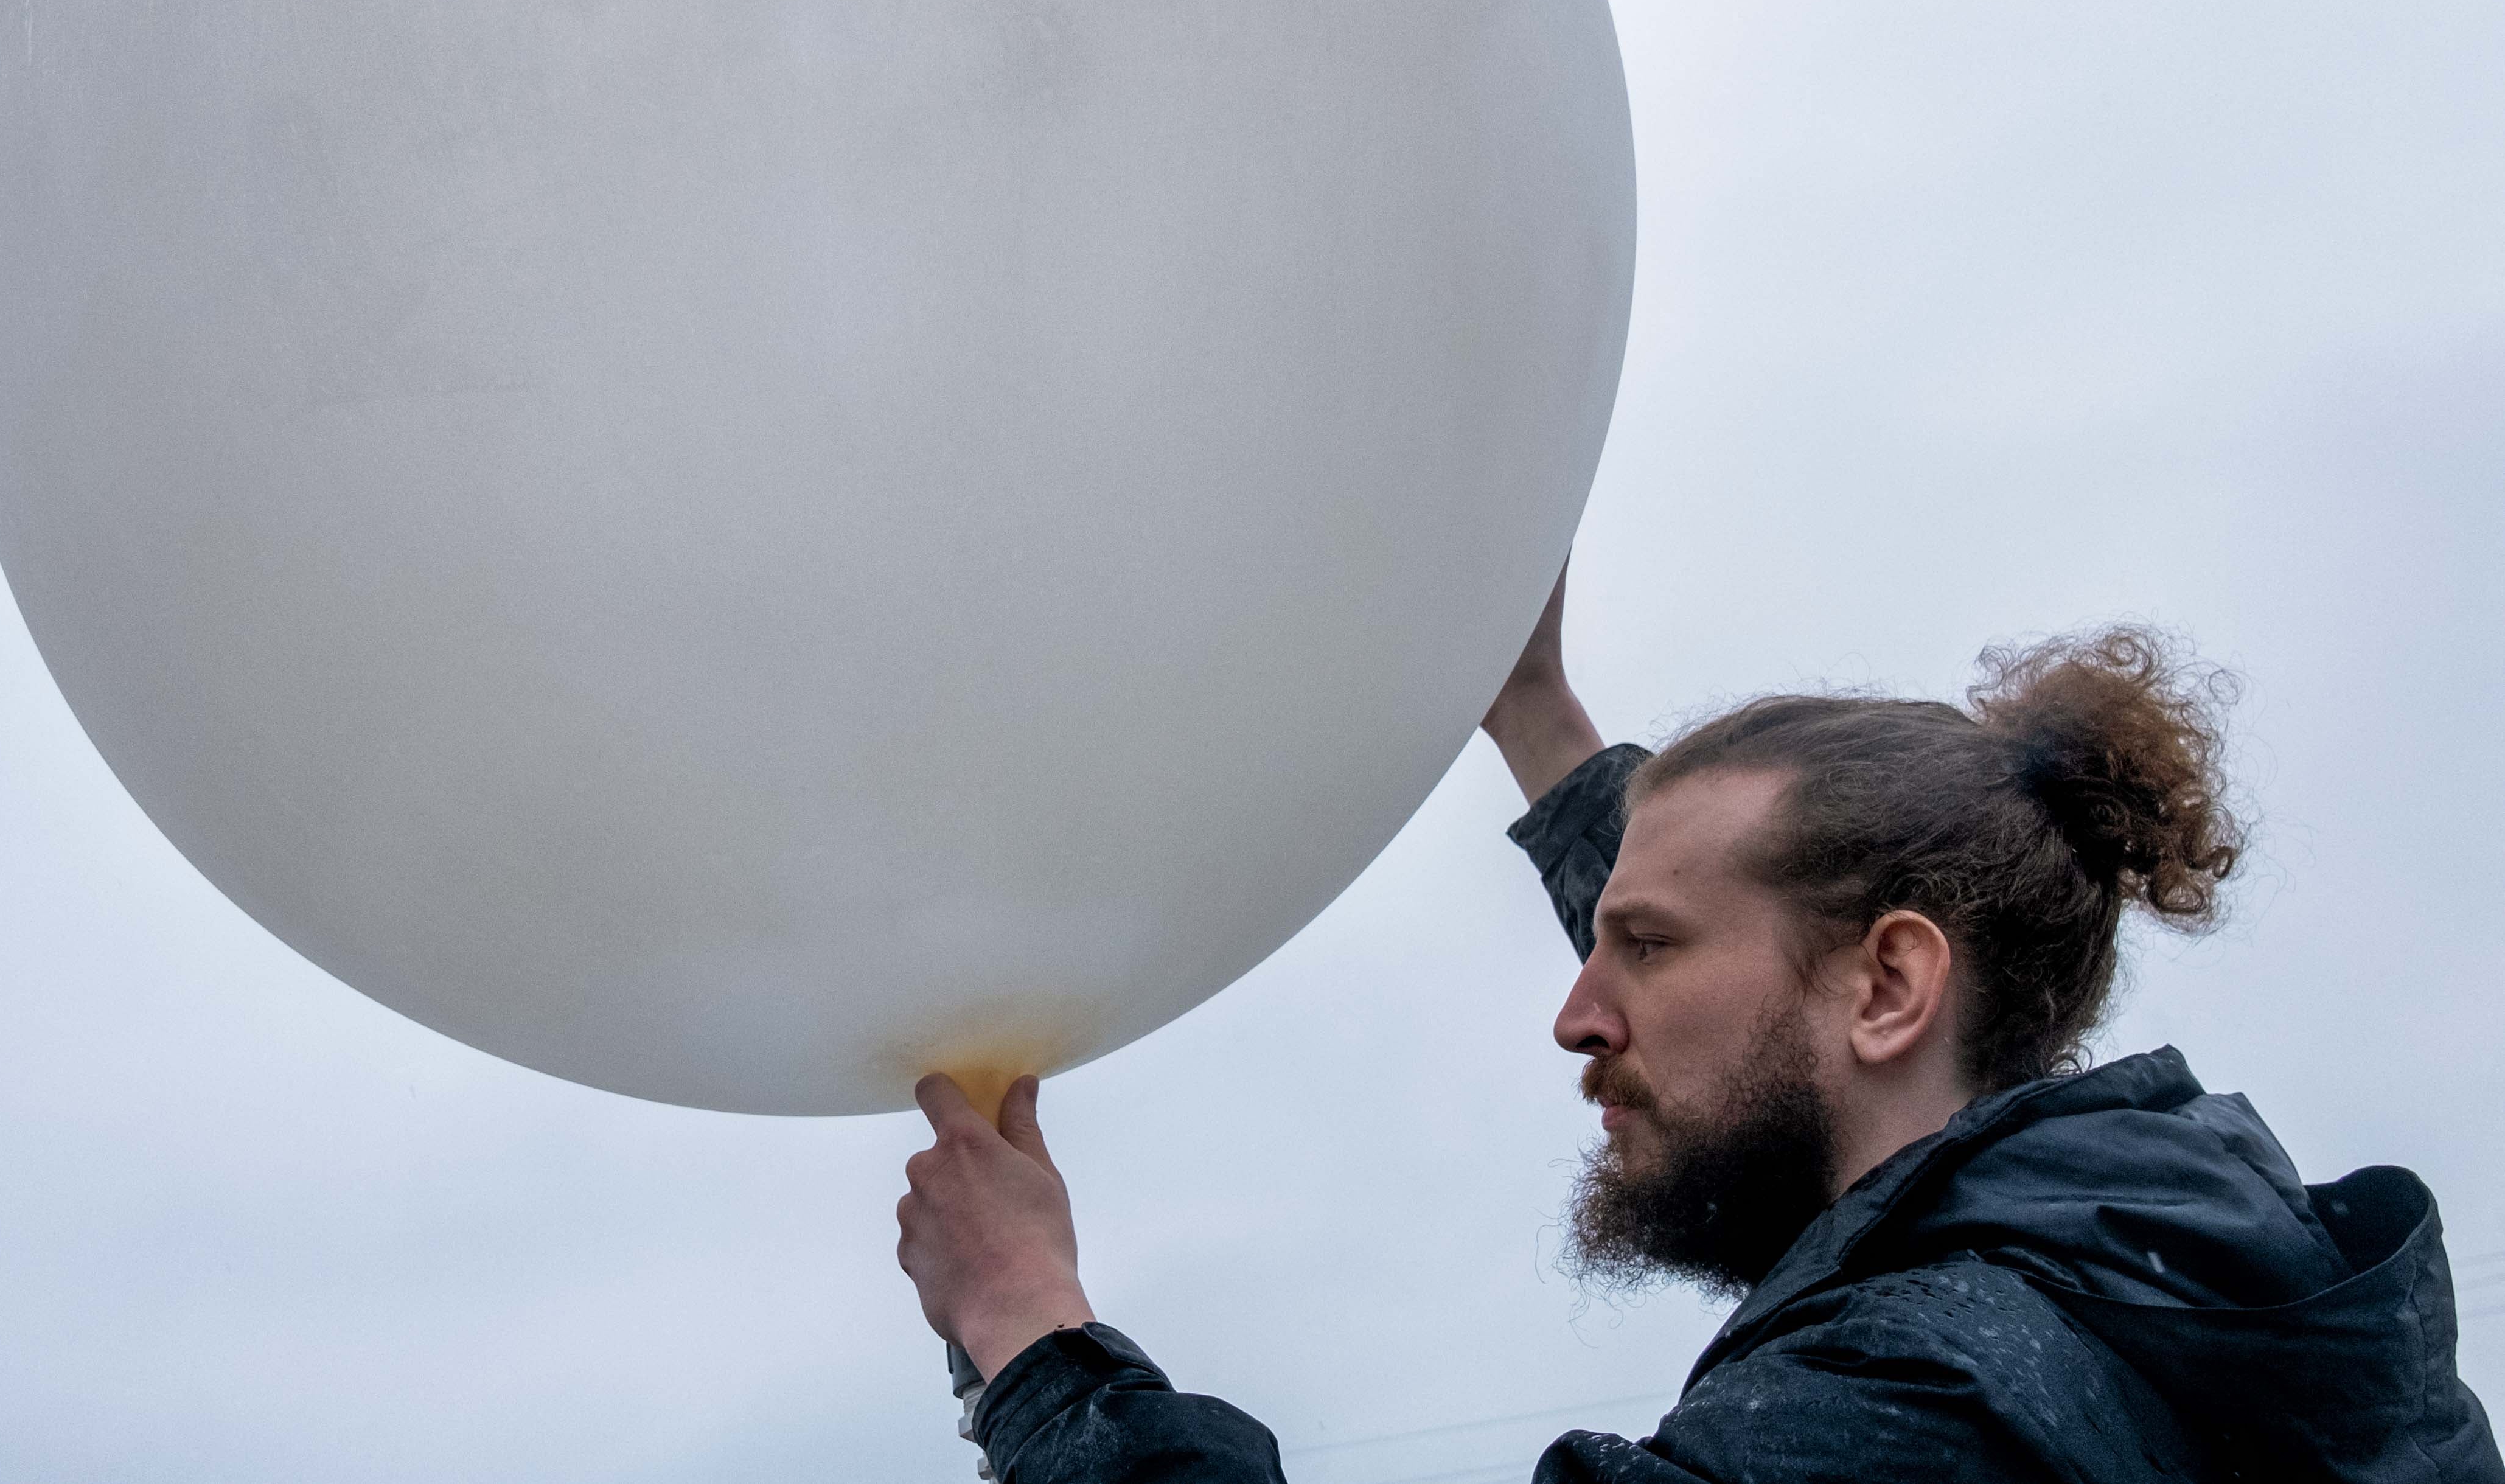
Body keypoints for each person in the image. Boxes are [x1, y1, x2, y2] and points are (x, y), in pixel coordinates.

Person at [893, 576, 2503, 1483]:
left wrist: (1034, 1340)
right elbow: (1767, 1010)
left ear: (1890, 984)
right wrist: (1536, 709)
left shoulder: (1928, 1411)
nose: (1574, 1016)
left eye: (1639, 950)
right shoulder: (2151, 1273)